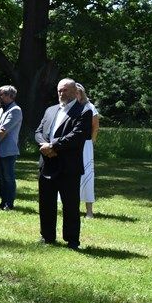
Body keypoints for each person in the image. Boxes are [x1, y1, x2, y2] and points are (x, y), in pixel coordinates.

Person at [34, 78, 92, 249]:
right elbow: (38, 131)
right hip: (47, 163)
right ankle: (47, 236)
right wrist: (44, 146)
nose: (61, 93)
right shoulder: (50, 110)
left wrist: (53, 145)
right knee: (46, 203)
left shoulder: (83, 111)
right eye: (59, 90)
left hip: (68, 166)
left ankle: (72, 240)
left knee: (71, 205)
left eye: (65, 90)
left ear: (75, 92)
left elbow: (77, 135)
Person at [0, 84, 22, 210]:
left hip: (8, 150)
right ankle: (3, 202)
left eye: (1, 95)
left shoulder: (15, 110)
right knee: (1, 178)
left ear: (10, 96)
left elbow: (4, 131)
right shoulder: (1, 110)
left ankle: (9, 203)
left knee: (8, 177)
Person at [76, 83, 100, 218]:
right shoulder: (68, 107)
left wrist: (91, 142)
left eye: (77, 93)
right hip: (71, 145)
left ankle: (89, 210)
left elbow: (95, 127)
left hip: (85, 145)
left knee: (87, 175)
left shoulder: (89, 107)